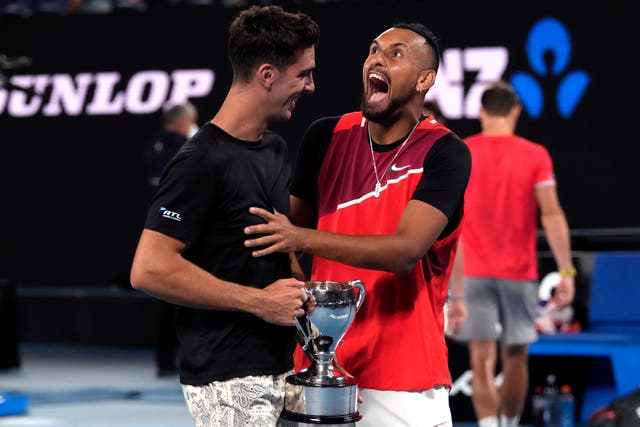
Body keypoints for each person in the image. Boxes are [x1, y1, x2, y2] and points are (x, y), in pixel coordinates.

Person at [244, 23, 471, 427]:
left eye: (396, 53)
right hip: (317, 372)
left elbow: (405, 251)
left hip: (404, 382)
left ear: (425, 79)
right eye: (373, 50)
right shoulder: (325, 137)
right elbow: (290, 247)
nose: (377, 59)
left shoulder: (446, 153)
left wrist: (299, 237)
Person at [129, 5, 319, 426]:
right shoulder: (199, 161)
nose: (310, 86)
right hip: (226, 376)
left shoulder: (275, 149)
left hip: (282, 362)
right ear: (267, 75)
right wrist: (260, 302)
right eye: (302, 74)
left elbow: (269, 251)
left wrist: (305, 289)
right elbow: (148, 269)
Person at [447, 80, 575, 427]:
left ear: (481, 112)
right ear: (516, 111)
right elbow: (551, 213)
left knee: (481, 358)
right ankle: (510, 423)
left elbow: (449, 220)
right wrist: (566, 273)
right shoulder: (535, 154)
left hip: (472, 274)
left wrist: (453, 287)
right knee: (517, 356)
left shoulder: (464, 151)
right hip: (518, 274)